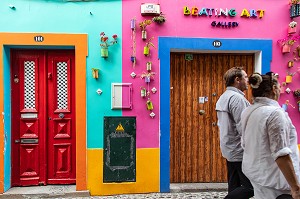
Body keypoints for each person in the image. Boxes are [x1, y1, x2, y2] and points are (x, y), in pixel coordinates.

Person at [241, 72, 300, 199]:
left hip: (258, 175)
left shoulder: (249, 111)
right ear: (274, 89)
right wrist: (296, 188)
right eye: (279, 87)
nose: (280, 91)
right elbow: (281, 154)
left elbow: (245, 143)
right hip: (276, 181)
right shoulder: (275, 114)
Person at [215, 66, 254, 198]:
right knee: (251, 187)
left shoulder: (224, 97)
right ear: (237, 80)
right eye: (245, 77)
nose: (248, 80)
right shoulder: (237, 99)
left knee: (235, 186)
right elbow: (244, 127)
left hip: (230, 149)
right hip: (239, 150)